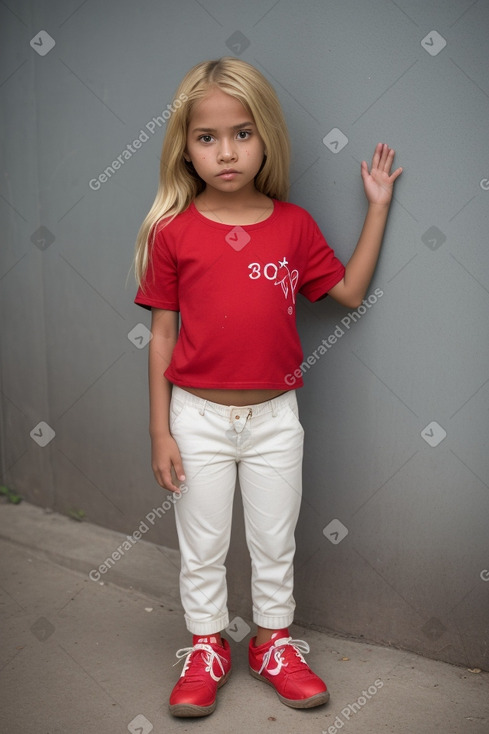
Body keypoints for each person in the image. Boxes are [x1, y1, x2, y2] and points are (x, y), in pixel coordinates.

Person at [133, 57, 402, 718]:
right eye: (206, 137)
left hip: (275, 420)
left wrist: (377, 209)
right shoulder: (174, 233)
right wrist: (161, 429)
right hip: (196, 419)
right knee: (203, 546)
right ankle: (206, 647)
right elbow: (161, 336)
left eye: (242, 133)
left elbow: (345, 293)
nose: (226, 151)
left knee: (272, 543)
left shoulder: (293, 226)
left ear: (265, 138)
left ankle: (271, 644)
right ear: (186, 150)